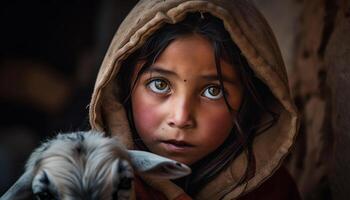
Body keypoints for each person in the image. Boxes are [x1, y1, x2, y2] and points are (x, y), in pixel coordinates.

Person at [89, 0, 301, 199]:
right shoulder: (89, 182)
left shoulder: (273, 191)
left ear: (248, 98)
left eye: (212, 91)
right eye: (160, 84)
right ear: (123, 86)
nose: (181, 118)